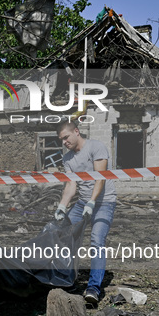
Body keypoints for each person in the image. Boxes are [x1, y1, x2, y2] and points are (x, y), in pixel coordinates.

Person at [54, 121, 117, 305]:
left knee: (97, 240)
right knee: (65, 235)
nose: (65, 142)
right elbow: (71, 185)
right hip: (82, 203)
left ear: (76, 131)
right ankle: (68, 280)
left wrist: (92, 201)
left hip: (104, 201)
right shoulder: (67, 159)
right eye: (61, 140)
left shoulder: (96, 147)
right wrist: (62, 207)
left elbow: (100, 178)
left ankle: (93, 289)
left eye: (66, 137)